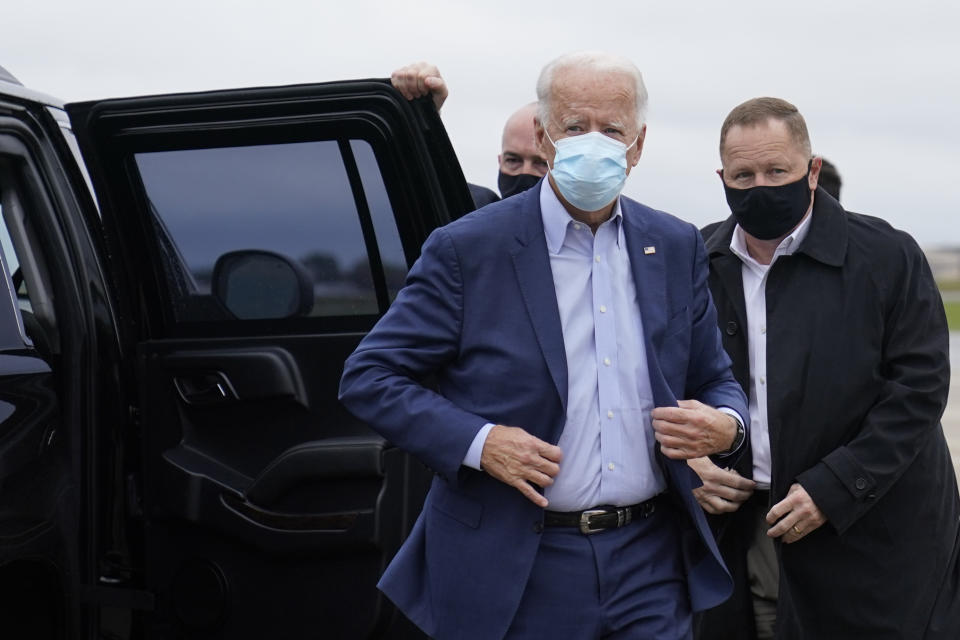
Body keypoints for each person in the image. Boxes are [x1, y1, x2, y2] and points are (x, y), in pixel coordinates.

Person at [340, 51, 749, 640]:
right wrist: (480, 443)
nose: (594, 143)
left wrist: (727, 426)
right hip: (520, 563)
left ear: (638, 146)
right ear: (543, 133)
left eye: (612, 130)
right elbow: (370, 376)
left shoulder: (673, 244)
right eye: (576, 126)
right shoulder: (468, 249)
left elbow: (715, 377)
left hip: (649, 560)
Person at [692, 96, 960, 639]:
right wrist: (685, 468)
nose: (760, 186)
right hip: (747, 531)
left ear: (811, 171)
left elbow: (919, 389)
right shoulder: (695, 262)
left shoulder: (886, 256)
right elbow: (657, 384)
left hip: (876, 532)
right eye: (743, 174)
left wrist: (836, 487)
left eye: (777, 170)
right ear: (721, 177)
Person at [391, 62, 547, 205]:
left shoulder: (569, 230)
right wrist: (422, 109)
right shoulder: (474, 211)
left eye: (542, 163)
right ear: (500, 161)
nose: (525, 172)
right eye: (513, 160)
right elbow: (425, 185)